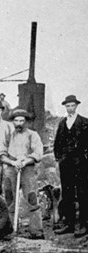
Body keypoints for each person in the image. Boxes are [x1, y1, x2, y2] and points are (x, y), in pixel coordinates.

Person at [2, 108, 44, 239]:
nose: (19, 123)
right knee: (9, 199)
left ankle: (36, 230)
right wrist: (13, 162)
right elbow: (2, 154)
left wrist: (25, 161)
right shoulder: (8, 135)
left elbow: (38, 153)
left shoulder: (33, 135)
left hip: (28, 169)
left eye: (21, 120)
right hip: (11, 168)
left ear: (25, 121)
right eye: (16, 120)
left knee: (32, 198)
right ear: (12, 121)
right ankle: (11, 229)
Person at [52, 95, 88, 236]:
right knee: (67, 193)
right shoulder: (62, 123)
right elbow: (57, 142)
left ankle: (84, 225)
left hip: (81, 163)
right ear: (65, 107)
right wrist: (59, 158)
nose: (70, 108)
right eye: (68, 106)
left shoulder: (84, 122)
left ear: (76, 106)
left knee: (83, 192)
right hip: (66, 163)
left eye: (72, 105)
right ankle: (69, 224)